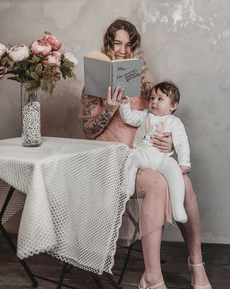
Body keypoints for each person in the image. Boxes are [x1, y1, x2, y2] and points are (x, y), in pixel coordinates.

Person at [80, 18, 212, 289]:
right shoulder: (95, 84)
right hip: (114, 159)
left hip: (147, 154)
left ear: (134, 48)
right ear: (108, 44)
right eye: (117, 43)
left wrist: (169, 144)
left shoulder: (145, 82)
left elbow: (162, 119)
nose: (122, 50)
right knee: (156, 184)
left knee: (184, 183)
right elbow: (89, 130)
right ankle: (151, 277)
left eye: (128, 45)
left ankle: (197, 264)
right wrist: (110, 107)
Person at [120, 81, 190, 223]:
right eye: (152, 98)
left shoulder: (174, 122)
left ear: (173, 106)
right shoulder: (145, 115)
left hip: (161, 158)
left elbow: (182, 143)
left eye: (160, 99)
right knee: (130, 159)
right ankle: (128, 188)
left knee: (175, 172)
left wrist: (184, 162)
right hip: (142, 153)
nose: (153, 102)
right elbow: (128, 118)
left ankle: (177, 207)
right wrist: (125, 105)